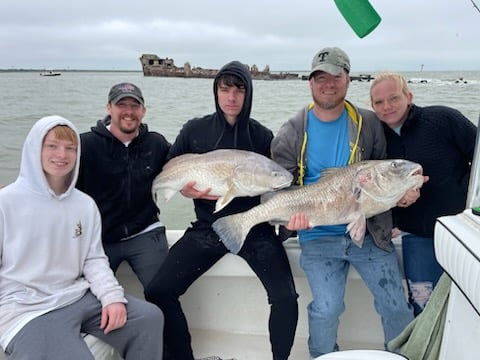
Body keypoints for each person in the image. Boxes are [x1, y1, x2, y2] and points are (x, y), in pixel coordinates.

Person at [144, 60, 299, 360]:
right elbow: (170, 170)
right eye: (225, 89)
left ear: (248, 94)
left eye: (239, 90)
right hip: (206, 229)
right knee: (158, 291)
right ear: (216, 92)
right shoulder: (194, 130)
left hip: (255, 229)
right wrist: (183, 189)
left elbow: (281, 185)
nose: (231, 97)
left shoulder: (262, 136)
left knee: (286, 298)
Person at [271, 47, 416, 358]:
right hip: (317, 233)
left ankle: (403, 356)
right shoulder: (291, 132)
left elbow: (389, 172)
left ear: (348, 79)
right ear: (310, 82)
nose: (328, 84)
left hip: (371, 233)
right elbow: (278, 189)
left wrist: (407, 190)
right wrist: (288, 222)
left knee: (395, 303)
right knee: (326, 308)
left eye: (335, 76)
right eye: (320, 77)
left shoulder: (370, 123)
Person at [0, 115, 164, 360]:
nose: (61, 155)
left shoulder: (84, 204)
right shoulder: (6, 202)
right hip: (26, 308)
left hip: (77, 295)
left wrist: (111, 298)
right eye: (52, 146)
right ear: (35, 148)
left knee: (148, 318)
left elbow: (93, 259)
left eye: (70, 148)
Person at [369, 72, 477, 316]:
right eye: (379, 102)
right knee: (423, 306)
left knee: (466, 308)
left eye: (394, 98)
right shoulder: (377, 138)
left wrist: (469, 196)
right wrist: (394, 214)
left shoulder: (442, 118)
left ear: (409, 96)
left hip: (459, 230)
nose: (387, 107)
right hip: (415, 236)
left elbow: (478, 158)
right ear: (372, 106)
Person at [76, 82, 171, 289]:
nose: (129, 112)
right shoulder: (85, 145)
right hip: (99, 238)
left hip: (145, 232)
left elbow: (183, 168)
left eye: (135, 106)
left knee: (164, 292)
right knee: (85, 297)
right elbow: (55, 183)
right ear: (109, 108)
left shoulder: (156, 144)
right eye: (122, 105)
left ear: (143, 111)